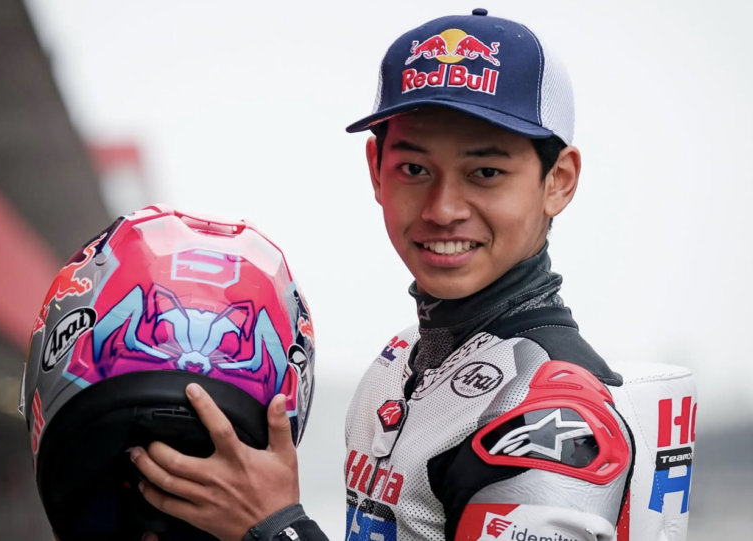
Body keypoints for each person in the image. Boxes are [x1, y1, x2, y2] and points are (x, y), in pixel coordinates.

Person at [132, 9, 694, 541]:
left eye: (486, 172)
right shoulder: (399, 360)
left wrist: (273, 526)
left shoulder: (552, 417)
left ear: (560, 181)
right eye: (415, 169)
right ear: (376, 170)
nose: (443, 208)